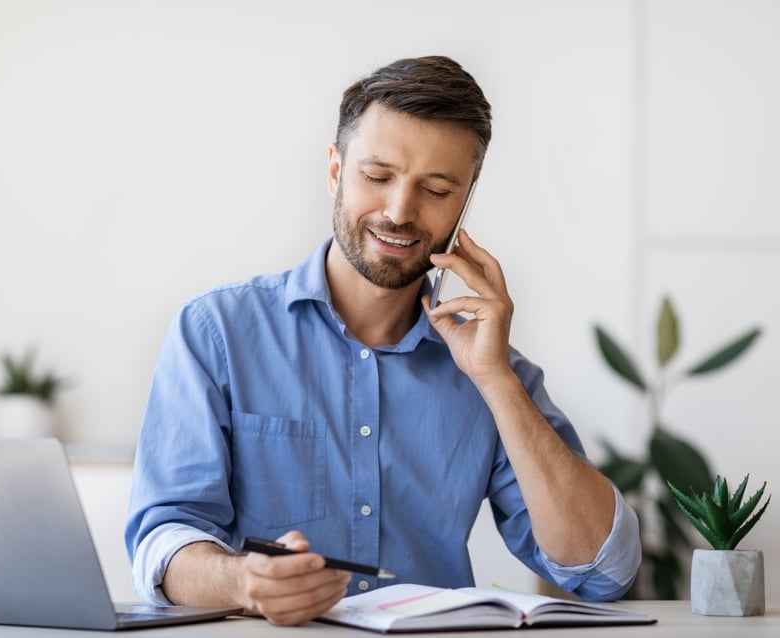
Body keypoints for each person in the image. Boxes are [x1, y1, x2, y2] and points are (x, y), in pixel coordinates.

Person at [125, 55, 641, 626]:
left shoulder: (491, 370)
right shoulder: (215, 333)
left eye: (437, 189)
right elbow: (161, 545)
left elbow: (602, 571)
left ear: (465, 202)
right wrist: (244, 581)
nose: (399, 211)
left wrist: (497, 382)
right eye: (377, 176)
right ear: (334, 171)